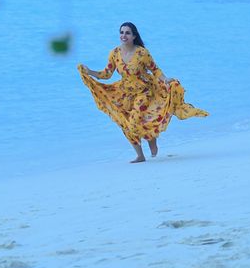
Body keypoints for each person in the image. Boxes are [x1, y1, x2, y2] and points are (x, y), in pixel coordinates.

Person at [78, 22, 208, 163]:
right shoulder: (115, 53)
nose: (123, 35)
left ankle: (151, 138)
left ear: (134, 36)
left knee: (134, 121)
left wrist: (165, 79)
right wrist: (89, 72)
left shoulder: (142, 53)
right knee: (124, 121)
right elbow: (107, 73)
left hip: (143, 91)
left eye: (127, 33)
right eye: (121, 32)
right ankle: (140, 155)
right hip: (124, 92)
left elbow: (155, 69)